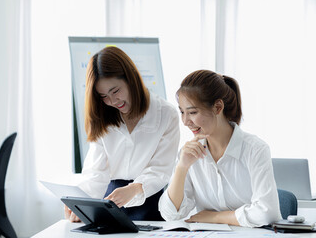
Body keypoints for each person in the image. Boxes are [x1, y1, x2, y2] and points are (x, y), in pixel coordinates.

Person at [65, 46, 180, 222]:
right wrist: (80, 202)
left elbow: (161, 169)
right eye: (103, 96)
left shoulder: (166, 114)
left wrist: (134, 189)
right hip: (110, 202)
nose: (112, 101)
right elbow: (96, 173)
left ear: (131, 78)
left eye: (115, 91)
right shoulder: (102, 116)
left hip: (149, 202)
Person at [158, 70, 281, 227]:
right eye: (182, 112)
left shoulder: (255, 149)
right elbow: (171, 214)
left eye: (192, 112)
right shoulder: (188, 154)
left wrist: (214, 217)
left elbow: (267, 213)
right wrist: (182, 168)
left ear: (217, 107)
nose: (185, 121)